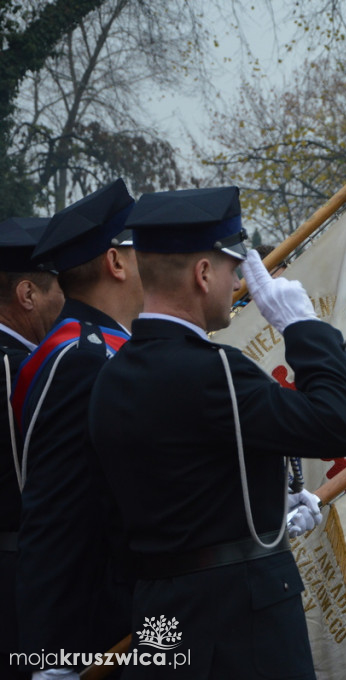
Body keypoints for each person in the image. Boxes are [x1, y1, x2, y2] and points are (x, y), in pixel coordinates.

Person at [88, 186, 346, 679]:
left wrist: (260, 512)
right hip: (241, 627)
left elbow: (170, 484)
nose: (236, 281)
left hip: (160, 613)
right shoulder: (216, 372)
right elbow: (343, 425)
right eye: (230, 268)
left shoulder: (111, 373)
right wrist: (301, 326)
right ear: (202, 274)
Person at [14, 179, 141, 679]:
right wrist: (53, 655)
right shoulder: (83, 359)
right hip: (98, 625)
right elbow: (58, 514)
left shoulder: (99, 346)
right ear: (115, 262)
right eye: (142, 247)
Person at [0, 218, 64, 680]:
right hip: (18, 579)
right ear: (28, 295)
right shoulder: (18, 370)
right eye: (59, 286)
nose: (66, 300)